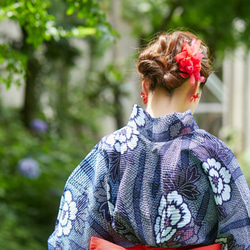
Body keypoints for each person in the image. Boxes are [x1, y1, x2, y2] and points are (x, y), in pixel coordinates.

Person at [48, 30, 250, 250]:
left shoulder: (110, 149)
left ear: (144, 85)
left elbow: (70, 236)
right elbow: (243, 233)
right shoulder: (212, 153)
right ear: (195, 90)